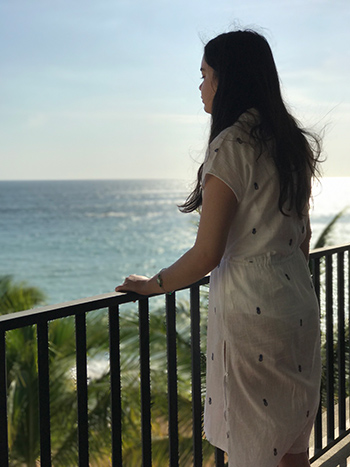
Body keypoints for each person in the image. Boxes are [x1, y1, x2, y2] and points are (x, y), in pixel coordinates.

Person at [115, 29, 322, 467]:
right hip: (297, 304)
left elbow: (207, 253)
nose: (201, 85)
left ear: (228, 79)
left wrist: (152, 285)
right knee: (290, 449)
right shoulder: (291, 144)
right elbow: (301, 240)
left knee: (253, 449)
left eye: (205, 74)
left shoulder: (231, 146)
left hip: (252, 315)